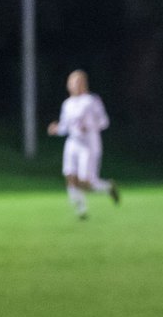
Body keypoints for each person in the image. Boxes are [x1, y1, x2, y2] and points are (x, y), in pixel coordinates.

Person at [46, 70, 119, 219]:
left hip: (89, 144)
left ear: (84, 84)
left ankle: (108, 187)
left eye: (78, 82)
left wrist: (90, 126)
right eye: (72, 82)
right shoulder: (67, 104)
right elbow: (66, 127)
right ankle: (81, 210)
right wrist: (56, 129)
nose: (75, 85)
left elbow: (104, 121)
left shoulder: (91, 100)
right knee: (70, 176)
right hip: (73, 142)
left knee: (86, 183)